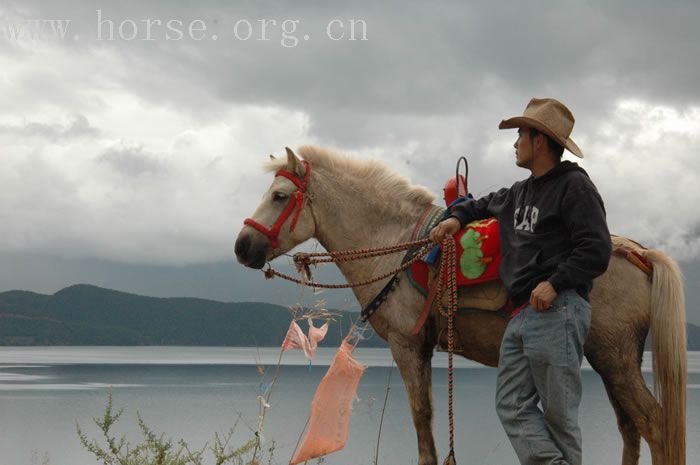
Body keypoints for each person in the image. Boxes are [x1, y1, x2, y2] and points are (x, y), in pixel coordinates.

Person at [429, 98, 612, 465]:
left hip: (557, 309)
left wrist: (555, 283)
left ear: (539, 141)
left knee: (559, 420)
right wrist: (454, 219)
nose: (515, 143)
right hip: (523, 315)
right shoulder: (520, 192)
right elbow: (480, 204)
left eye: (520, 135)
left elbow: (596, 249)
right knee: (511, 405)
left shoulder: (574, 187)